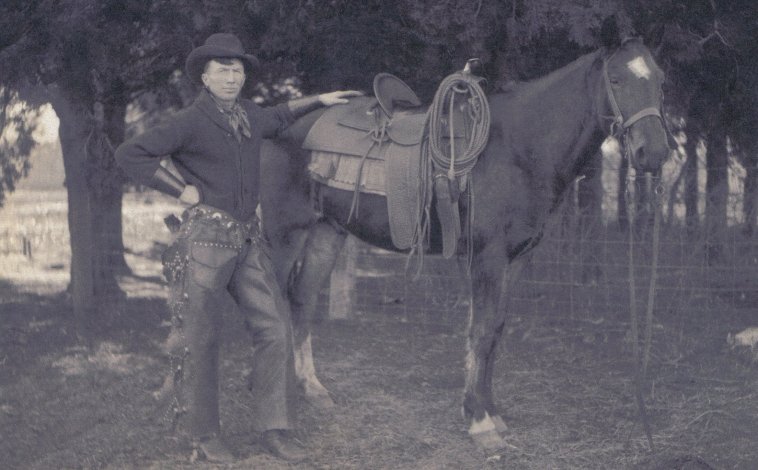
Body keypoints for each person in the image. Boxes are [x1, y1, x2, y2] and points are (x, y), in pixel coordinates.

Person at [114, 32, 361, 464]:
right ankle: (204, 436)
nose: (232, 76)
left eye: (237, 69)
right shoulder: (189, 121)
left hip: (248, 241)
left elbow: (281, 116)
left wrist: (322, 98)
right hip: (204, 243)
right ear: (205, 78)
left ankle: (276, 430)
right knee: (201, 338)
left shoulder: (249, 114)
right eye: (222, 70)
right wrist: (180, 189)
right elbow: (131, 153)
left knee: (276, 328)